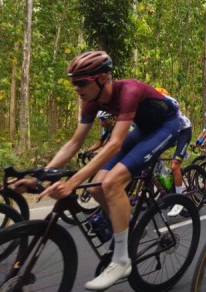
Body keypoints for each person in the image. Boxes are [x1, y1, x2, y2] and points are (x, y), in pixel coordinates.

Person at [11, 51, 180, 290]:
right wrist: (40, 174)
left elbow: (114, 144)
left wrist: (73, 181)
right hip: (143, 130)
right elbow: (73, 143)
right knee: (98, 186)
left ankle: (121, 260)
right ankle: (128, 224)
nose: (76, 88)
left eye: (81, 83)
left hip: (167, 126)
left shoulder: (129, 91)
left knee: (111, 183)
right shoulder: (90, 102)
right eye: (73, 83)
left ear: (102, 79)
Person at [155, 88, 193, 216]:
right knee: (152, 159)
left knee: (174, 165)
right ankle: (167, 185)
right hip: (171, 132)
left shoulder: (170, 102)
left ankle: (179, 200)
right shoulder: (150, 107)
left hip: (183, 131)